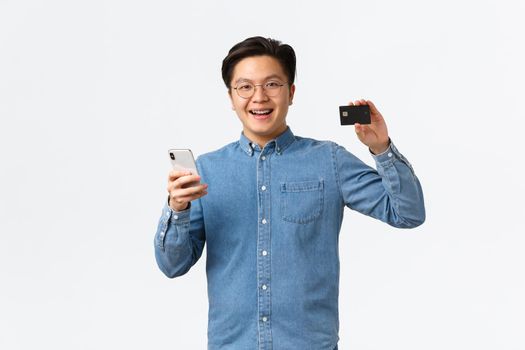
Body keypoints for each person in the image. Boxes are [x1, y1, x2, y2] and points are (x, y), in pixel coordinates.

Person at [154, 36, 425, 350]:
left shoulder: (329, 160)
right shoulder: (206, 171)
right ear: (231, 96)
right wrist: (177, 209)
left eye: (272, 84)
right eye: (245, 86)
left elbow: (408, 213)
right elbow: (172, 265)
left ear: (291, 92)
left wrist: (381, 148)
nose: (259, 97)